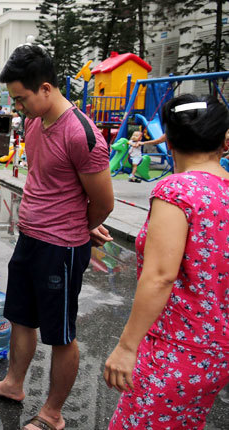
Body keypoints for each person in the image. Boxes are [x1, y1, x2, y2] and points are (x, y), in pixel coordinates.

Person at [0, 44, 114, 430]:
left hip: (61, 249)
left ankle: (52, 414)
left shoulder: (82, 134)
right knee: (20, 318)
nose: (18, 107)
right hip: (30, 239)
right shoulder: (35, 121)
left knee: (61, 334)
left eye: (21, 98)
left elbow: (104, 201)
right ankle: (14, 385)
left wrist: (82, 226)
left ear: (46, 88)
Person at [104, 95, 229, 429]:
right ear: (224, 140)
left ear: (169, 140)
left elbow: (160, 276)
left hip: (173, 349)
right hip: (216, 352)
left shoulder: (177, 191)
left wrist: (127, 347)